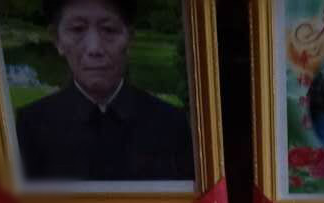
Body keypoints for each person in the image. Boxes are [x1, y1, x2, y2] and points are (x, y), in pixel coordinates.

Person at [14, 0, 194, 183]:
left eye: (109, 30)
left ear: (130, 38)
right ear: (57, 40)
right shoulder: (31, 125)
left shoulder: (171, 124)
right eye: (77, 29)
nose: (95, 49)